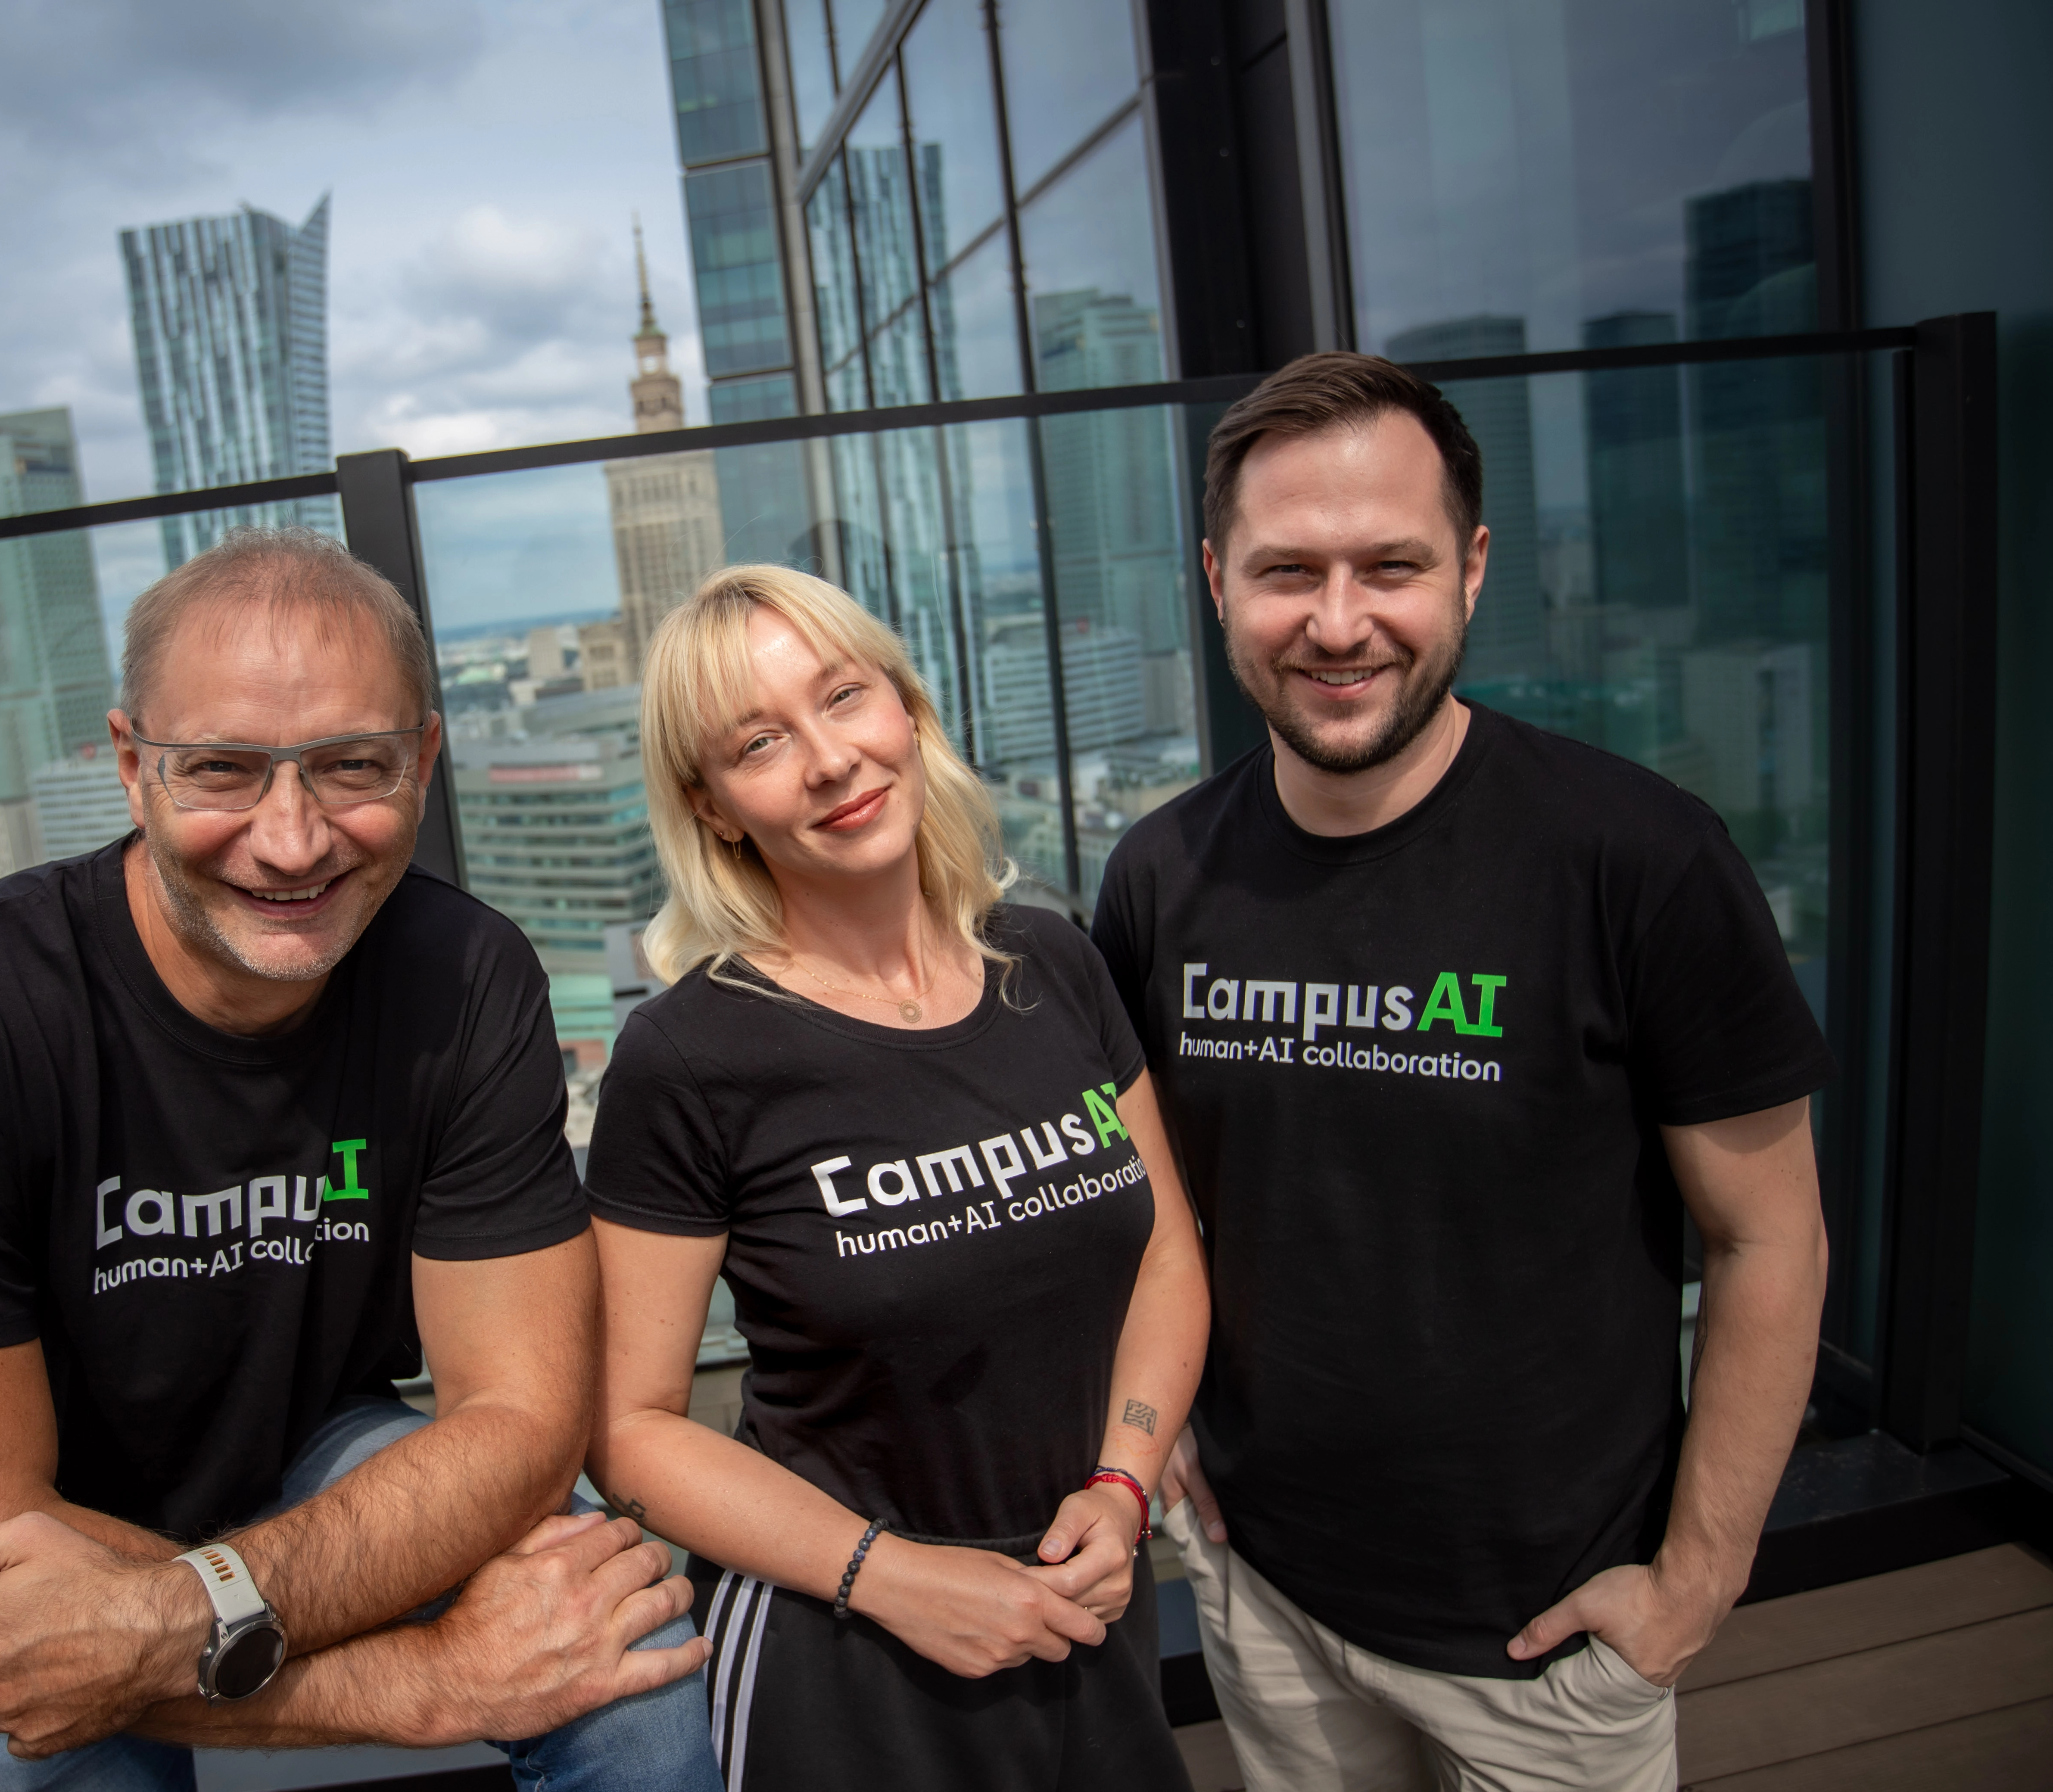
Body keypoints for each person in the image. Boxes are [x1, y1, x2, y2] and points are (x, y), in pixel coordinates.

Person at [0, 529, 719, 1791]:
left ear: (424, 763)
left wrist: (181, 1618)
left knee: (629, 1658)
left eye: (353, 766)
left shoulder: (464, 978)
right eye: (224, 771)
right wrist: (423, 1684)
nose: (294, 844)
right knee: (8, 1695)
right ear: (132, 766)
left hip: (318, 1456)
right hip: (39, 1522)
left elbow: (520, 1419)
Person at [1090, 353, 1834, 1791]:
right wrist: (1155, 1427)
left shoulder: (1640, 858)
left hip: (1551, 1641)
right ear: (1214, 577)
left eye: (1393, 566)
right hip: (1269, 1595)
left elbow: (1768, 1236)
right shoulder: (1159, 873)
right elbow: (1148, 1200)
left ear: (1475, 569)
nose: (1339, 621)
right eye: (1287, 569)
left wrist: (1696, 1581)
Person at [582, 565, 1211, 1791]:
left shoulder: (1055, 963)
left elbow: (1169, 1255)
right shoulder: (689, 1056)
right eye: (761, 741)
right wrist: (894, 1576)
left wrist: (1126, 1482)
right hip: (851, 1645)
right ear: (713, 807)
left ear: (907, 709)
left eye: (844, 698)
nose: (828, 760)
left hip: (1088, 1600)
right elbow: (633, 1429)